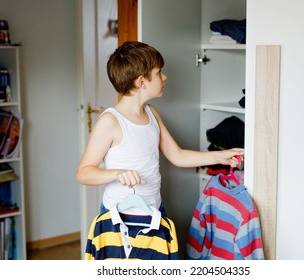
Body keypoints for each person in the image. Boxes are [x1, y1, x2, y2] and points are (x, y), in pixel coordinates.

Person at [76, 41, 244, 217]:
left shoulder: (151, 112)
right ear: (142, 81)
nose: (164, 77)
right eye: (159, 73)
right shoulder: (110, 121)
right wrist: (117, 174)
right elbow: (83, 173)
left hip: (154, 211)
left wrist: (220, 156)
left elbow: (177, 155)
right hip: (120, 217)